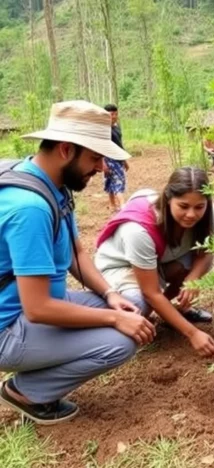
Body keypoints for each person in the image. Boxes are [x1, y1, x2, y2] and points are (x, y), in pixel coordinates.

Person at [0, 100, 155, 424]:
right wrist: (112, 320)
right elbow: (38, 308)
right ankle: (26, 391)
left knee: (129, 303)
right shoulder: (30, 208)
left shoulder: (48, 184)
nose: (102, 168)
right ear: (66, 150)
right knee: (122, 339)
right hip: (9, 326)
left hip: (32, 308)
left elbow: (75, 253)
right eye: (96, 157)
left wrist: (111, 295)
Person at [95, 168, 214, 357]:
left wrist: (193, 278)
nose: (191, 214)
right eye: (183, 206)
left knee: (200, 263)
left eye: (199, 207)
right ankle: (120, 322)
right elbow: (151, 292)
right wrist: (192, 333)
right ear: (168, 198)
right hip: (121, 266)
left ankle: (176, 311)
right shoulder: (138, 230)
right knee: (139, 303)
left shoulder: (210, 214)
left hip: (160, 259)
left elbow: (206, 253)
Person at [103, 104, 129, 212]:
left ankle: (112, 204)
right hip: (108, 159)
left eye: (115, 114)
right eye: (111, 114)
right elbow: (100, 147)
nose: (114, 116)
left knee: (112, 181)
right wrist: (103, 163)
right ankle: (123, 205)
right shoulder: (103, 130)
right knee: (117, 181)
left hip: (118, 158)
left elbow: (120, 145)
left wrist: (124, 160)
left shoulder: (116, 127)